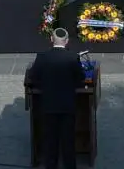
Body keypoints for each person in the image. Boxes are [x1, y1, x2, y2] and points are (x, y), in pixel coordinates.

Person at [30, 28, 85, 169]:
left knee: (50, 141)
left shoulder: (42, 57)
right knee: (68, 141)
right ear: (67, 41)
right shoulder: (73, 57)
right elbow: (80, 79)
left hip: (48, 105)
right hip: (67, 105)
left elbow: (33, 78)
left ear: (51, 39)